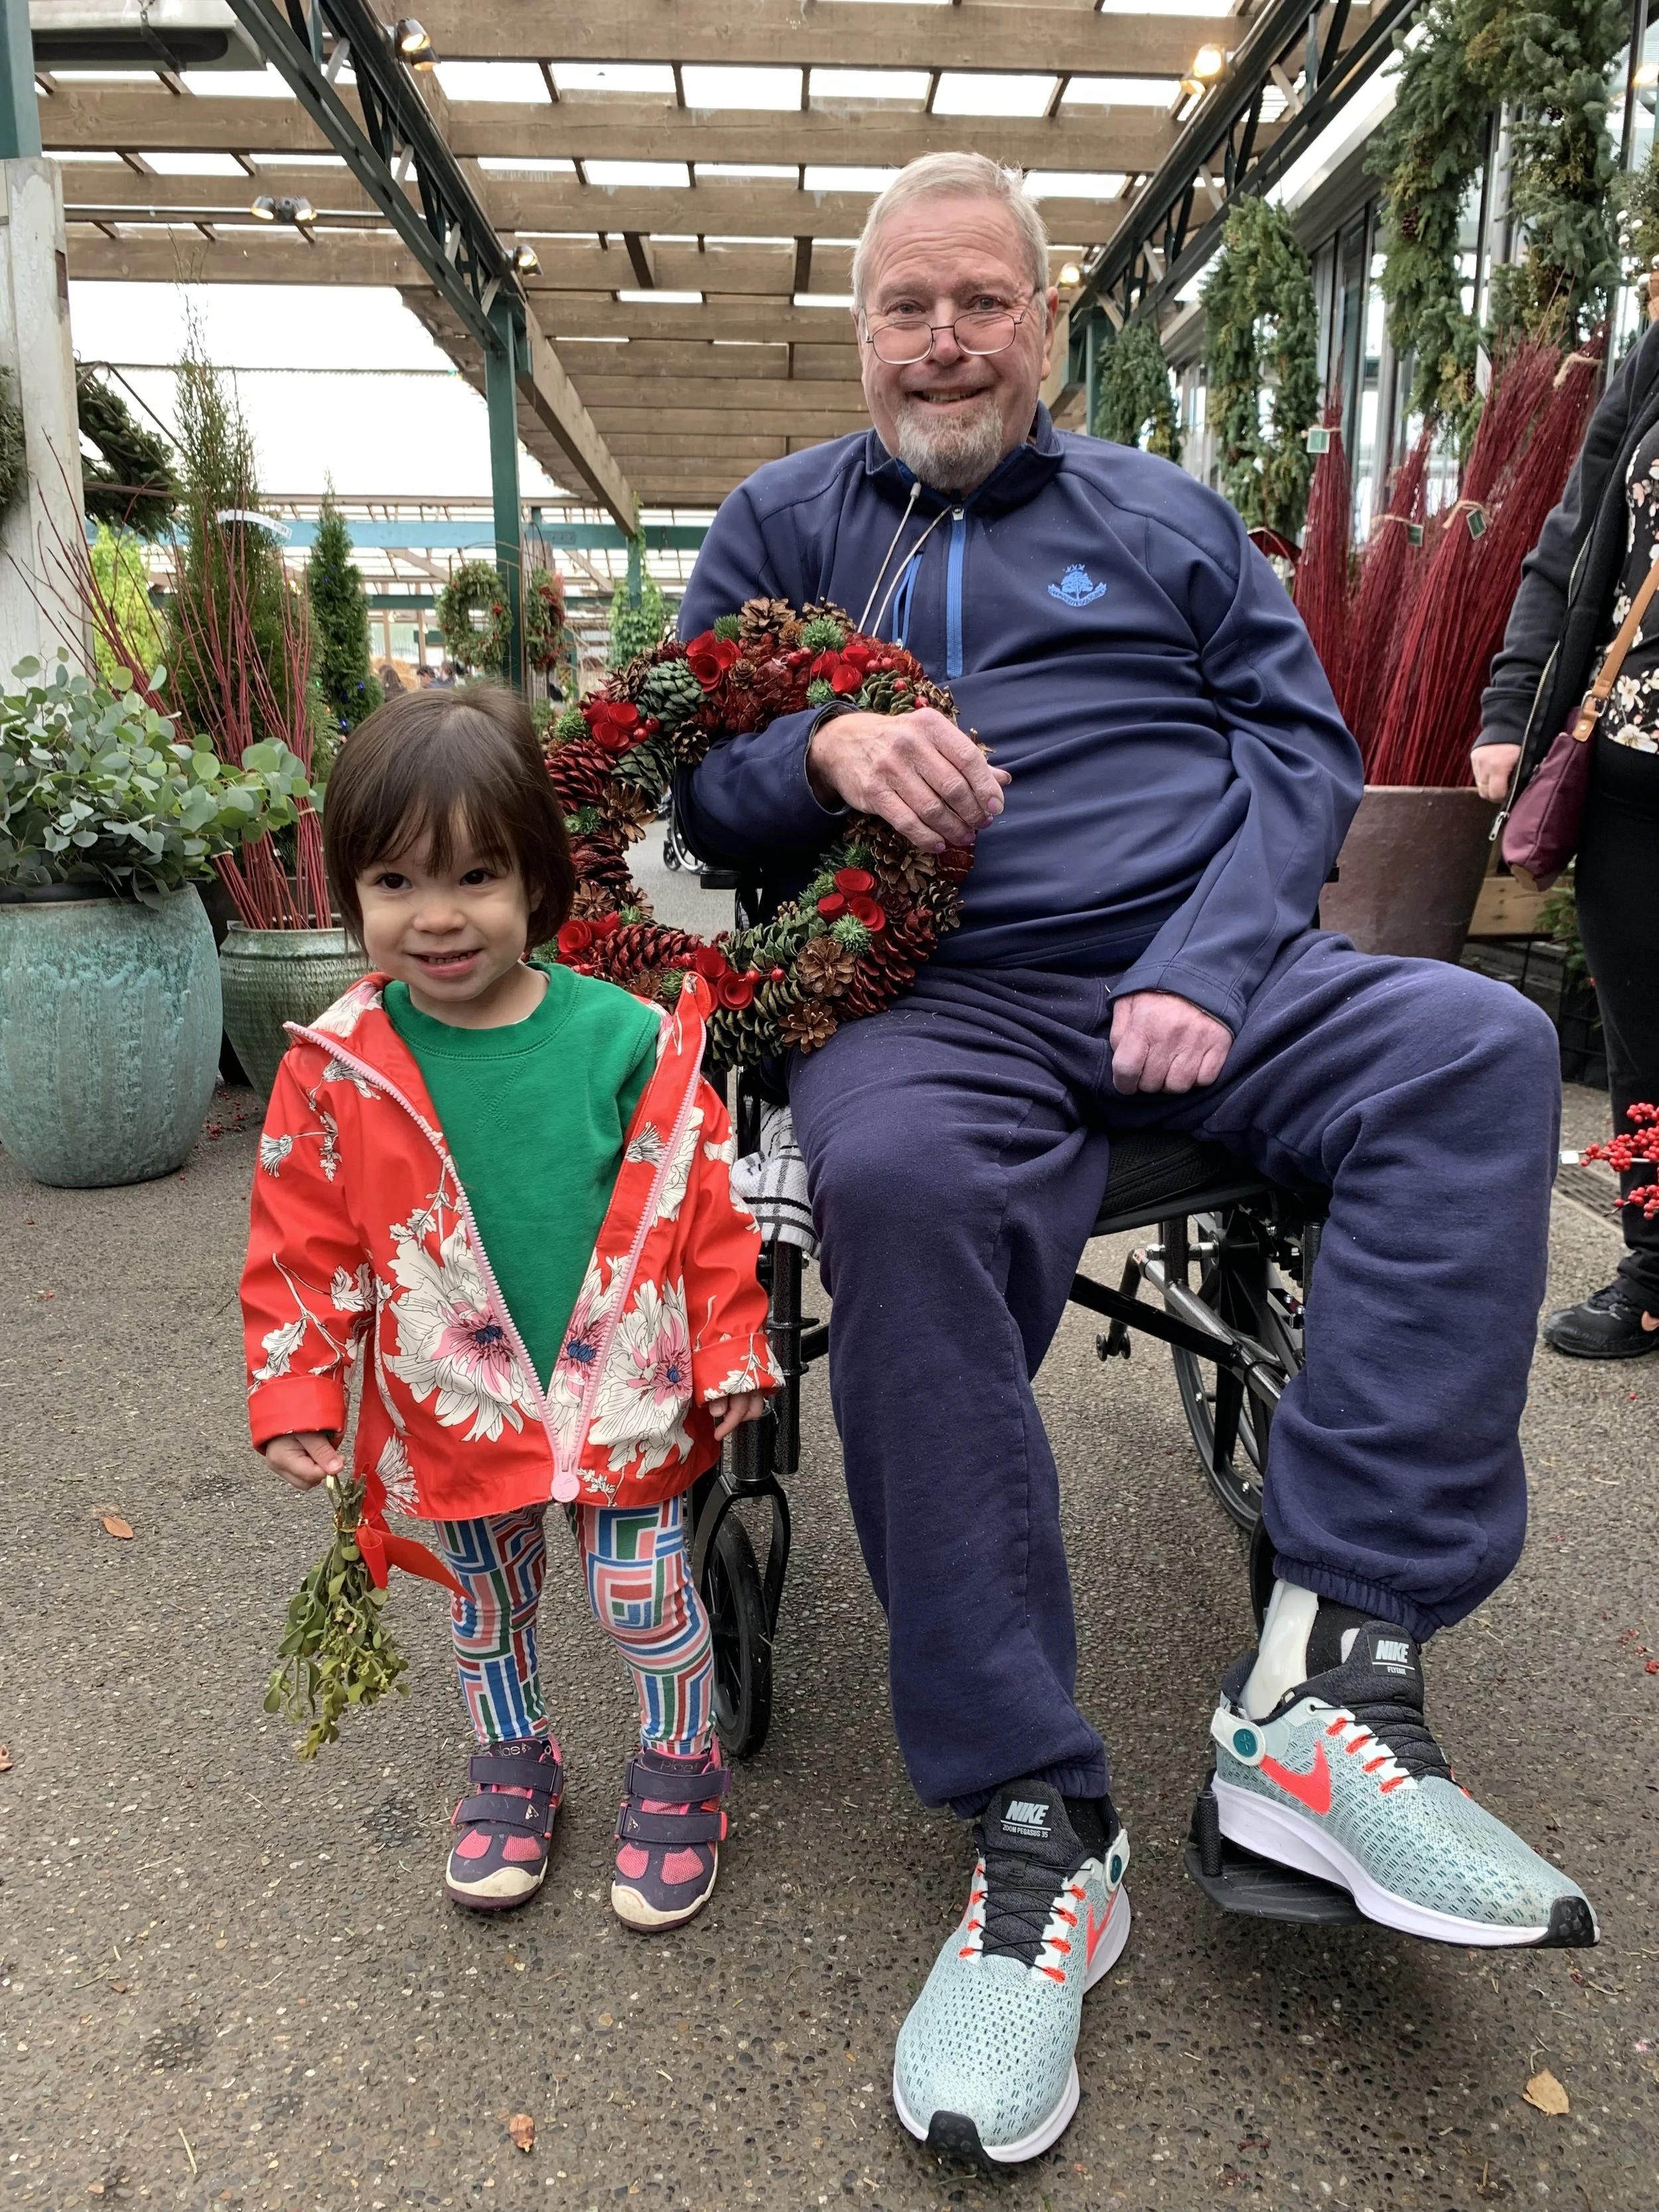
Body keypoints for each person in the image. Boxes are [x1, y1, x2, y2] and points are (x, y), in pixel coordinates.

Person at [677, 151, 1597, 2165]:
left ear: (1046, 323)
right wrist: (815, 752)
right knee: (896, 1189)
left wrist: (1203, 959)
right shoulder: (776, 531)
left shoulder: (1167, 518)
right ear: (861, 334)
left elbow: (1300, 756)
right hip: (931, 1010)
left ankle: (1326, 1678)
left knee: (1477, 1044)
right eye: (908, 306)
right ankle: (1036, 1835)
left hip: (1207, 980)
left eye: (981, 301)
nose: (945, 338)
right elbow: (691, 784)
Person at [240, 686, 778, 1927]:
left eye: (476, 875)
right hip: (457, 1392)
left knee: (640, 1594)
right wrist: (294, 1388)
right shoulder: (340, 1065)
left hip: (623, 1384)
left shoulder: (626, 1042)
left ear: (538, 881)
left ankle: (680, 1757)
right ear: (352, 896)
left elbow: (699, 1203)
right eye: (392, 883)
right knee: (487, 1605)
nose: (436, 918)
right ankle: (513, 1756)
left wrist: (732, 1341)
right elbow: (300, 1243)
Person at [1476, 302, 1659, 1361]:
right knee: (1647, 1036)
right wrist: (1513, 707)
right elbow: (1576, 532)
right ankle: (1655, 1266)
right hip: (1636, 771)